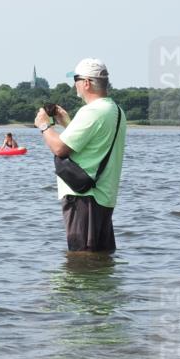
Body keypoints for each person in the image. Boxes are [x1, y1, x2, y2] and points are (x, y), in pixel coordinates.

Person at [35, 58, 127, 253]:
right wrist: (67, 123)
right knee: (100, 258)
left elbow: (59, 148)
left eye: (76, 79)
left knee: (81, 258)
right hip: (103, 196)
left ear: (86, 83)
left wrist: (44, 125)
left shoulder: (92, 111)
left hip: (84, 197)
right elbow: (91, 144)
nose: (74, 84)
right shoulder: (116, 110)